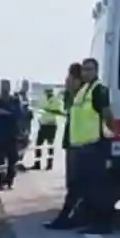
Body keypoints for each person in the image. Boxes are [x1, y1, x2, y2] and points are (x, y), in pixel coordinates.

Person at [71, 56, 117, 234]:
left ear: (96, 71)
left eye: (90, 69)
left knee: (98, 188)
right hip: (84, 146)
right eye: (84, 69)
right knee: (88, 187)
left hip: (96, 145)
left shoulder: (99, 90)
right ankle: (90, 222)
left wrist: (113, 131)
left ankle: (103, 224)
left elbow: (107, 113)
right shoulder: (84, 90)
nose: (86, 72)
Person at [44, 63, 86, 229]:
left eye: (69, 77)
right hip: (72, 142)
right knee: (74, 184)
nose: (66, 81)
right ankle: (71, 216)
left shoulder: (83, 97)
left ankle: (68, 218)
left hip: (80, 144)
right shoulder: (71, 96)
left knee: (77, 184)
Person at [0, 79, 24, 190]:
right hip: (0, 135)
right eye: (3, 87)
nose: (4, 89)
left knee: (12, 160)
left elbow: (19, 114)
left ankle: (10, 179)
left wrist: (5, 113)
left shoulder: (14, 101)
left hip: (12, 135)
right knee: (0, 161)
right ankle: (1, 181)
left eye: (6, 86)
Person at [31, 84, 63, 171]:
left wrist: (48, 110)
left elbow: (58, 111)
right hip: (43, 124)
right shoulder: (43, 99)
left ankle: (49, 164)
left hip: (51, 125)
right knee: (38, 145)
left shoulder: (56, 100)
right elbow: (39, 108)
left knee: (50, 145)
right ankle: (37, 163)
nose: (47, 93)